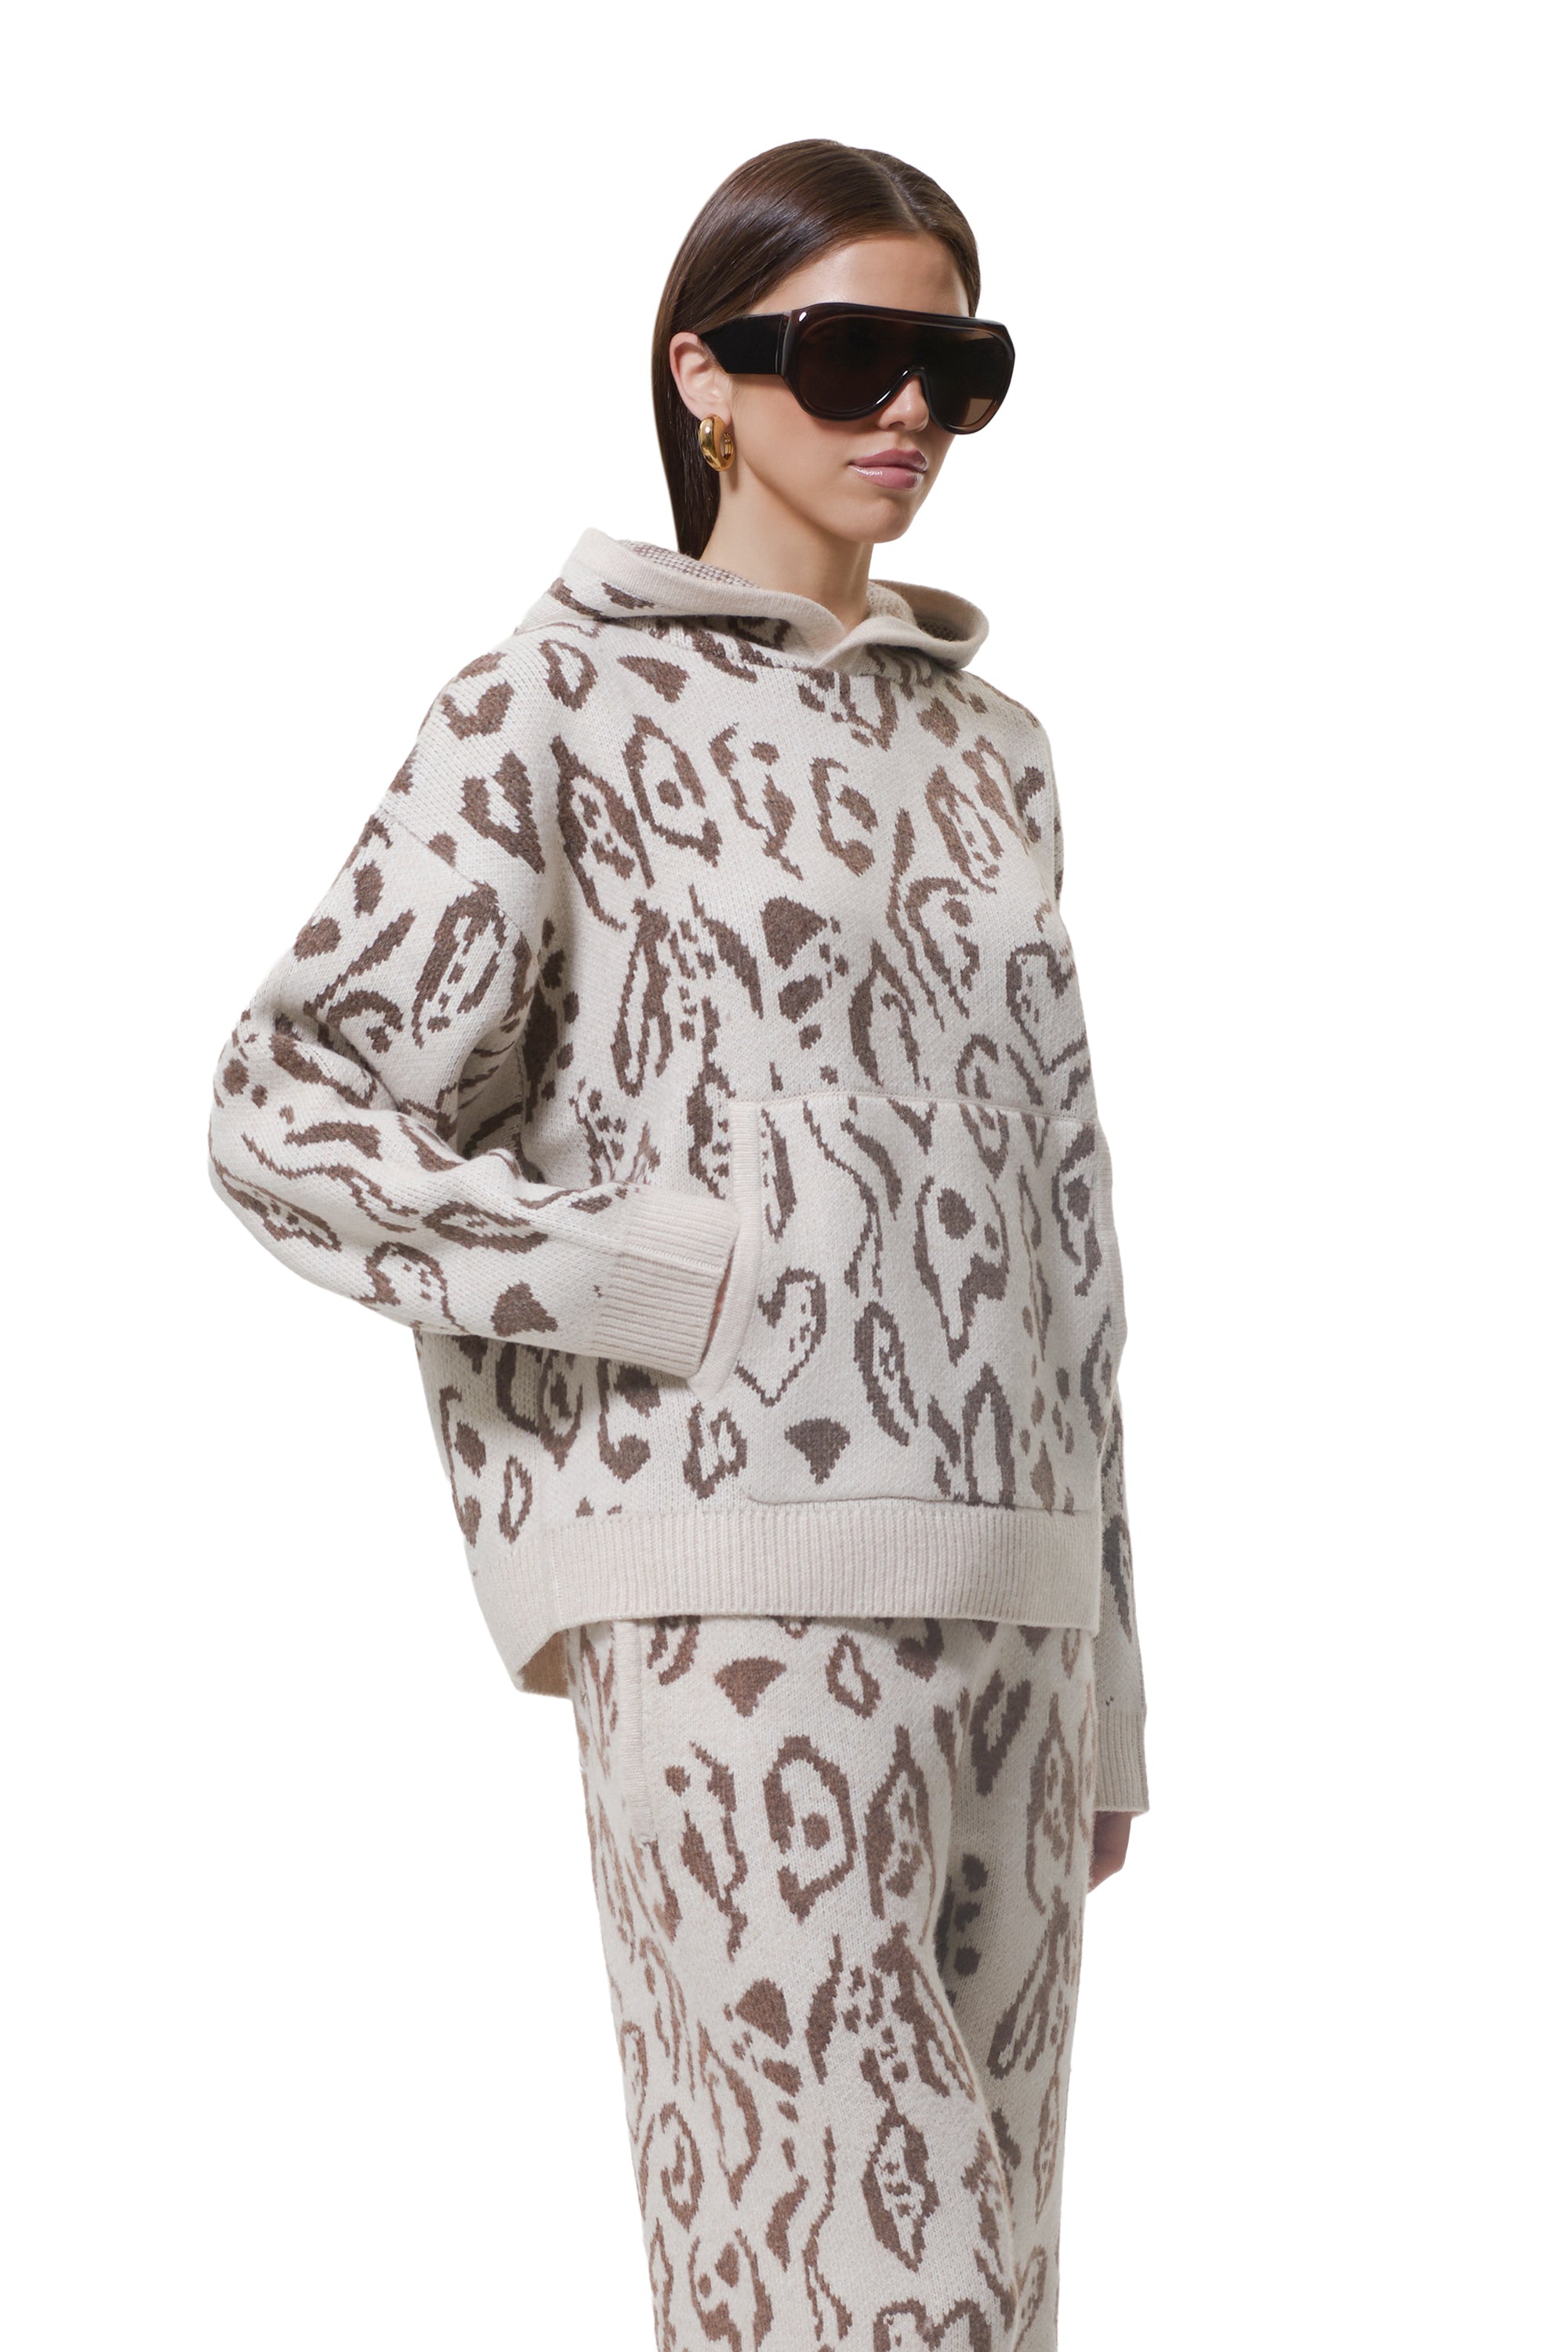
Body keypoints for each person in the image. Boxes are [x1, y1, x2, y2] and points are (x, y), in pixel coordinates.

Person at [208, 136, 1148, 2352]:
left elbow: (1066, 1210)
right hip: (732, 1600)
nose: (907, 410)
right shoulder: (552, 705)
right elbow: (287, 1104)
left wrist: (1115, 1666)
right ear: (703, 377)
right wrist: (639, 1280)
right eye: (850, 354)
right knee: (843, 2277)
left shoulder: (998, 753)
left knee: (983, 2293)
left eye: (958, 366)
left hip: (1018, 1599)